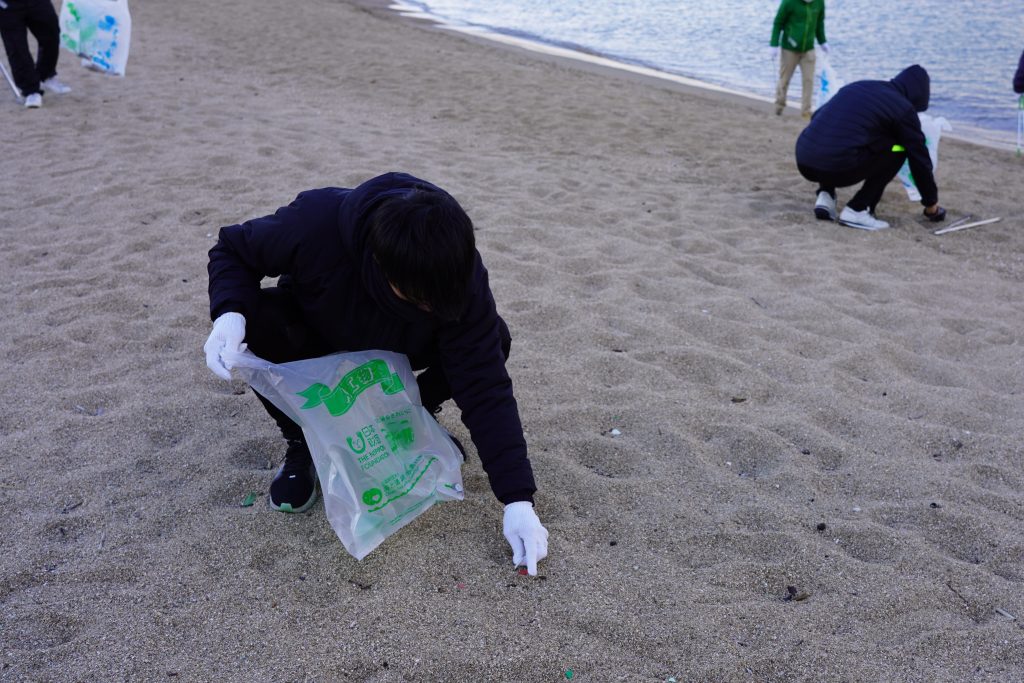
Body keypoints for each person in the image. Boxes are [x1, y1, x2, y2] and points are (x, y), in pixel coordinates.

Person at [204, 172, 549, 574]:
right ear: (381, 263)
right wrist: (230, 314)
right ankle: (302, 443)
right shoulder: (317, 222)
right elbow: (232, 248)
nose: (434, 307)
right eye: (421, 300)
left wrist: (517, 500)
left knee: (493, 339)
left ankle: (414, 417)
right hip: (320, 332)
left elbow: (485, 385)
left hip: (401, 346)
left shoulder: (457, 272)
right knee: (256, 323)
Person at [795, 65, 946, 231]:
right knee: (898, 149)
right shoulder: (903, 108)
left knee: (837, 136)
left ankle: (826, 195)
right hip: (837, 168)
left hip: (805, 159)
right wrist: (931, 204)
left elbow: (818, 116)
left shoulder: (858, 86)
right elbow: (919, 159)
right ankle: (858, 209)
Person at [0, 0, 71, 109]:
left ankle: (45, 75)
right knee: (17, 48)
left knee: (51, 33)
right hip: (7, 5)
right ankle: (31, 90)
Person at [770, 0, 828, 118]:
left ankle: (806, 111)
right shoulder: (789, 2)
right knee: (784, 79)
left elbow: (819, 23)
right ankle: (779, 106)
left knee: (809, 80)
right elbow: (778, 23)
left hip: (808, 48)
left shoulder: (819, 2)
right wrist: (774, 44)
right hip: (789, 49)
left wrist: (823, 41)